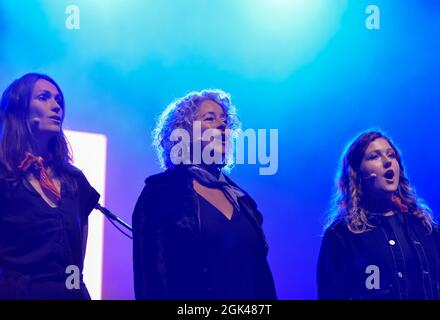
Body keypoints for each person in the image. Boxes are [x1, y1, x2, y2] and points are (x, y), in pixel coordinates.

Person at [132, 89, 277, 300]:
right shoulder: (160, 194)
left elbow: (261, 279)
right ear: (184, 132)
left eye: (225, 121)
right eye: (210, 118)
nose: (222, 125)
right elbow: (151, 281)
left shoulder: (243, 201)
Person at [0, 73, 100, 299]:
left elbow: (77, 262)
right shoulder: (3, 176)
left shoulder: (74, 180)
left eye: (59, 101)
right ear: (19, 108)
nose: (56, 106)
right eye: (44, 97)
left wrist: (76, 291)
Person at [317, 129, 440, 300]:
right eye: (375, 156)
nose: (387, 161)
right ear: (357, 173)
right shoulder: (341, 236)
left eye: (391, 155)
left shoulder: (425, 227)